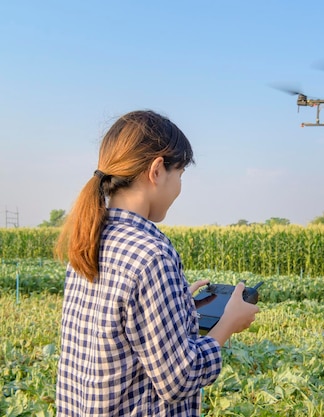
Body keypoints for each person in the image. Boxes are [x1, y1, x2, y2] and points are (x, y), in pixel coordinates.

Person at [54, 110, 259, 416]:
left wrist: (173, 302)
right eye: (180, 175)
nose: (179, 187)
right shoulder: (151, 255)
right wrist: (227, 325)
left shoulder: (90, 238)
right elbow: (178, 379)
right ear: (157, 170)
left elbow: (118, 326)